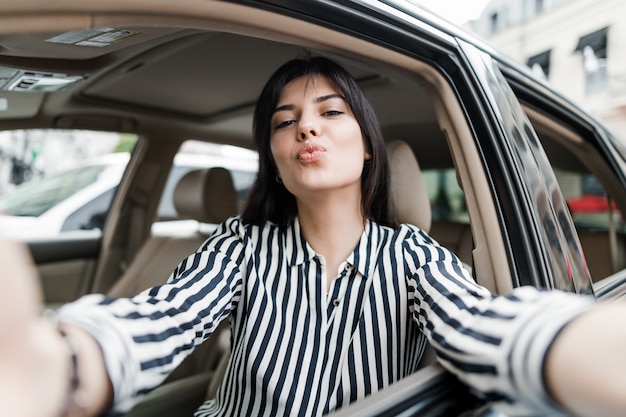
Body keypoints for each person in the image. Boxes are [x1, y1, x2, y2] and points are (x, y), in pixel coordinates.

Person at [1, 56, 626, 417]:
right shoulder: (239, 246)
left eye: (332, 113)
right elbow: (157, 323)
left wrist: (578, 343)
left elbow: (484, 326)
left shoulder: (414, 257)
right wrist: (63, 361)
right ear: (273, 156)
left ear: (367, 151)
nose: (307, 130)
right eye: (285, 121)